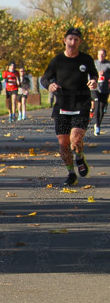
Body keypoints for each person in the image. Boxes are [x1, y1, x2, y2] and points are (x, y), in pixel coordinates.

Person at [39, 28, 98, 186]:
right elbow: (44, 79)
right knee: (63, 144)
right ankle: (71, 172)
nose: (73, 42)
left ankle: (79, 157)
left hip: (81, 103)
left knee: (75, 139)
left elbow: (94, 75)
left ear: (80, 42)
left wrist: (93, 81)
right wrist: (49, 85)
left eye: (76, 40)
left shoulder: (86, 59)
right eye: (70, 39)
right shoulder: (57, 61)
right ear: (65, 40)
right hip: (62, 105)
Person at [92, 49, 109, 135]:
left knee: (102, 108)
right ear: (97, 55)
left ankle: (98, 123)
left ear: (105, 55)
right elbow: (89, 74)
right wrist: (96, 75)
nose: (101, 56)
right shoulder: (94, 64)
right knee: (97, 105)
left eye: (103, 54)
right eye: (99, 54)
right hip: (94, 88)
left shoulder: (108, 64)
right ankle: (97, 126)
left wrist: (105, 75)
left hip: (105, 89)